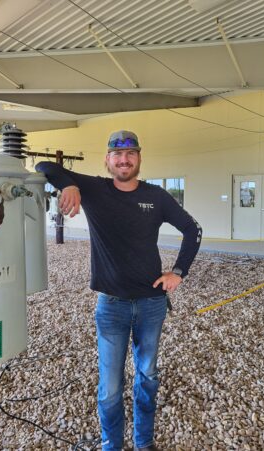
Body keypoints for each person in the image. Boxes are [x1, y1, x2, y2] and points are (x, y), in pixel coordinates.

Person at [35, 130, 202, 451]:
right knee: (110, 387)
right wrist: (69, 184)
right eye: (117, 155)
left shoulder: (157, 196)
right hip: (111, 306)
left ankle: (144, 443)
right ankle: (111, 445)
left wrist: (178, 271)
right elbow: (44, 166)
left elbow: (193, 229)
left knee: (148, 377)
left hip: (152, 303)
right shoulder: (94, 188)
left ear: (138, 158)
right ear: (108, 160)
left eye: (130, 154)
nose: (124, 160)